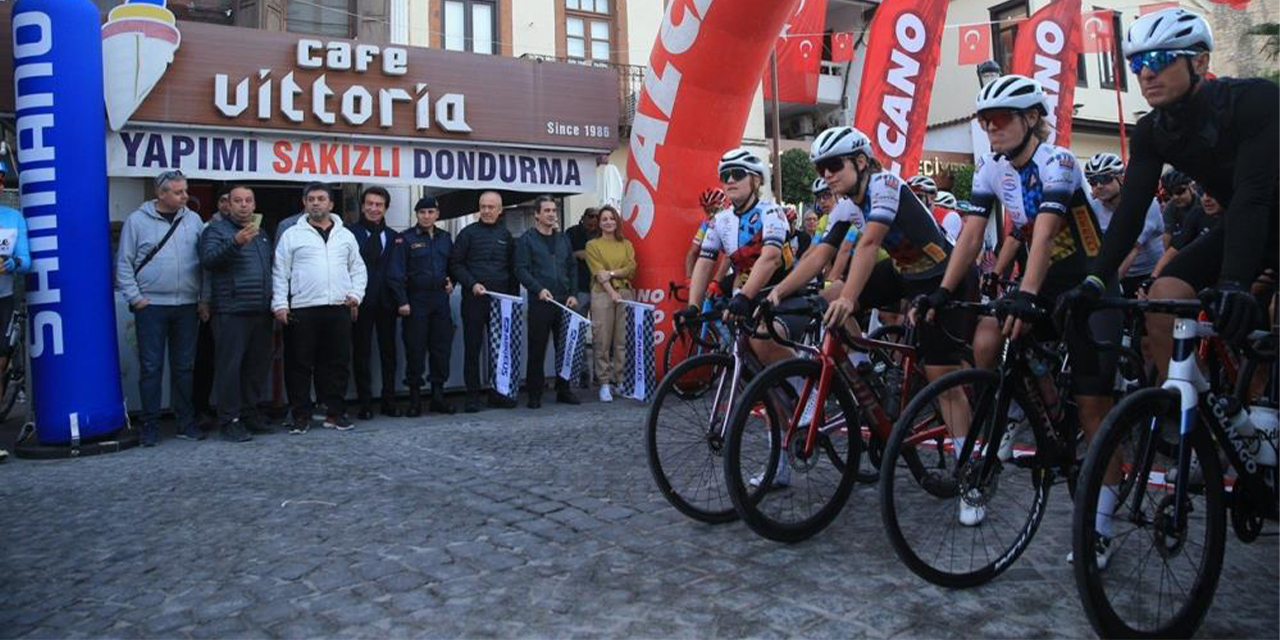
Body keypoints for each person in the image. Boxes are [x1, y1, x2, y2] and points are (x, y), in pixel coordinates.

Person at [935, 75, 1117, 542]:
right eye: (984, 120)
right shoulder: (991, 169)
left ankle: (1100, 527)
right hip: (1044, 281)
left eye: (999, 118)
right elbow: (971, 235)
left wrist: (1027, 293)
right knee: (987, 336)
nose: (990, 128)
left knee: (1094, 408)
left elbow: (1047, 233)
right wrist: (944, 289)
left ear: (1032, 118)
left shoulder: (1059, 161)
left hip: (1087, 283)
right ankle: (1031, 407)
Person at [771, 127, 977, 501]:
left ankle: (971, 479)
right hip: (904, 273)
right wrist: (777, 293)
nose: (827, 175)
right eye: (821, 169)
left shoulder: (885, 185)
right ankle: (865, 368)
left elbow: (869, 243)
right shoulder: (847, 204)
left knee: (941, 377)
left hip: (944, 275)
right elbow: (819, 255)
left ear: (861, 161)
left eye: (834, 165)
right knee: (828, 296)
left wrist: (851, 299)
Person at [1064, 7, 1277, 362]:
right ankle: (1179, 393)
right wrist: (1094, 281)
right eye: (1137, 63)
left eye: (1160, 59)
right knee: (1163, 297)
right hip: (1244, 225)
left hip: (1257, 211)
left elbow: (1252, 195)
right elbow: (1130, 212)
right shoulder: (1151, 132)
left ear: (1200, 62)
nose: (1146, 73)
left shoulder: (1253, 100)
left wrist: (1234, 281)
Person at [115, 170, 208, 446]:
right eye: (178, 192)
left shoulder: (193, 220)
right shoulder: (137, 221)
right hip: (151, 306)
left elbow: (203, 262)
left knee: (184, 367)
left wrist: (202, 298)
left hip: (187, 305)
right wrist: (136, 298)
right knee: (151, 367)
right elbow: (124, 263)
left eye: (186, 191)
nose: (185, 196)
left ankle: (185, 422)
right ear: (161, 193)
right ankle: (150, 425)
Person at [272, 182, 367, 434]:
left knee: (337, 364)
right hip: (303, 308)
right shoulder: (292, 234)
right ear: (304, 203)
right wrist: (280, 303)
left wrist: (356, 295)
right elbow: (280, 272)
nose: (316, 203)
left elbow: (358, 269)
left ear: (331, 204)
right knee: (299, 365)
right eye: (311, 199)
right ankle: (300, 416)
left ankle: (335, 413)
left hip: (338, 307)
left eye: (321, 199)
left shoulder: (346, 235)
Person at [199, 185, 273, 443]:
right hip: (231, 310)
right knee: (229, 368)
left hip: (260, 310)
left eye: (248, 201)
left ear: (254, 204)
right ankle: (229, 420)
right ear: (227, 205)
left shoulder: (261, 233)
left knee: (256, 367)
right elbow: (209, 260)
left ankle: (249, 413)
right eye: (238, 201)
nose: (243, 205)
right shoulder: (216, 230)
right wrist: (235, 242)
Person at [450, 190, 518, 413]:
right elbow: (455, 264)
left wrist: (513, 300)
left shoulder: (506, 235)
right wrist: (472, 284)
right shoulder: (467, 234)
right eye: (483, 207)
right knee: (473, 349)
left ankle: (498, 392)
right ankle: (472, 396)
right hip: (474, 300)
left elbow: (513, 270)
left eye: (491, 207)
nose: (487, 211)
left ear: (500, 210)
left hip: (501, 303)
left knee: (500, 349)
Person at [388, 196, 456, 417]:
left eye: (430, 212)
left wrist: (452, 282)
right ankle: (415, 400)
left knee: (441, 350)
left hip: (440, 300)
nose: (426, 216)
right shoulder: (405, 239)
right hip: (416, 301)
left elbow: (453, 265)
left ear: (437, 214)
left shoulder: (445, 238)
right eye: (422, 212)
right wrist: (402, 301)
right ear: (416, 214)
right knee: (415, 349)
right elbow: (395, 274)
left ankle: (438, 397)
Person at [515, 195, 580, 408]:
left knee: (564, 349)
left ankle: (564, 390)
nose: (551, 214)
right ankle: (534, 394)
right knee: (537, 349)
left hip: (564, 301)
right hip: (541, 302)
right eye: (547, 211)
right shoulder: (527, 239)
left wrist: (573, 293)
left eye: (554, 210)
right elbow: (521, 270)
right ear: (537, 214)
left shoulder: (563, 239)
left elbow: (572, 267)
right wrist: (538, 289)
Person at [348, 187, 401, 420]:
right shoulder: (349, 234)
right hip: (360, 303)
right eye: (369, 204)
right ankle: (365, 404)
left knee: (389, 354)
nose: (373, 208)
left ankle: (389, 401)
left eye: (379, 205)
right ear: (362, 206)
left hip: (387, 304)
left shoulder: (394, 236)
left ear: (385, 208)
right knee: (361, 354)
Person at [1084, 152, 1164, 296]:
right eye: (1093, 181)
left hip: (1148, 272)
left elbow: (1132, 249)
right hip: (1114, 271)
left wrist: (1104, 284)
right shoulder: (1092, 206)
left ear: (1121, 178)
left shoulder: (1146, 203)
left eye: (1105, 178)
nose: (1099, 185)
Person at [584, 205, 636, 403]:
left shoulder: (626, 244)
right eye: (604, 219)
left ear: (617, 221)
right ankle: (604, 383)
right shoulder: (592, 245)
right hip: (602, 295)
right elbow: (598, 273)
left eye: (612, 218)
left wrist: (612, 273)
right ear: (599, 223)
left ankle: (620, 380)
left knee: (622, 340)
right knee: (602, 339)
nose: (608, 222)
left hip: (625, 293)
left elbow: (631, 268)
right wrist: (612, 292)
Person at [0, 162, 31, 411]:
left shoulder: (14, 218)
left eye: (1, 180)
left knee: (1, 361)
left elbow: (26, 260)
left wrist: (13, 263)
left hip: (4, 298)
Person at [565, 207, 599, 316]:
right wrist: (576, 254)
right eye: (591, 216)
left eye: (597, 217)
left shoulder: (603, 234)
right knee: (577, 321)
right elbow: (562, 256)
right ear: (583, 218)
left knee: (599, 323)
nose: (594, 219)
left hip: (599, 287)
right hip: (579, 287)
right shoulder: (572, 232)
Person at [1158, 170, 1197, 249]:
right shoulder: (1170, 207)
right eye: (1170, 193)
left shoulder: (1203, 202)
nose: (1175, 197)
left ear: (1191, 188)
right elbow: (1167, 236)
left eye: (1179, 191)